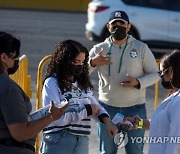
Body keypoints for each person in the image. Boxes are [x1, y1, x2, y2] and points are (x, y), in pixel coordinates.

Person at [88, 10, 160, 154]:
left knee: (135, 151)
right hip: (106, 110)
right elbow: (80, 74)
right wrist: (93, 63)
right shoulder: (99, 49)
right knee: (107, 151)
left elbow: (156, 74)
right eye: (114, 24)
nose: (118, 27)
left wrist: (138, 82)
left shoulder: (141, 48)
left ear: (128, 26)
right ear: (108, 27)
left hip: (135, 110)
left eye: (122, 24)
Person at [40, 40, 118, 154]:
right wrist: (86, 110)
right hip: (59, 139)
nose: (79, 66)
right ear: (64, 61)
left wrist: (108, 122)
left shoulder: (82, 84)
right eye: (76, 62)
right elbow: (55, 116)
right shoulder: (52, 82)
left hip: (81, 140)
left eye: (82, 62)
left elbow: (95, 107)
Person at [0, 31, 68, 154]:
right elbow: (21, 133)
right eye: (15, 55)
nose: (17, 60)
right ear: (3, 57)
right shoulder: (8, 88)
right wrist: (52, 116)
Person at [124, 50, 180, 154]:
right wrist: (138, 123)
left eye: (162, 72)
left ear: (171, 71)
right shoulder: (174, 96)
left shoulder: (178, 101)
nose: (161, 76)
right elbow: (159, 124)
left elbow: (176, 142)